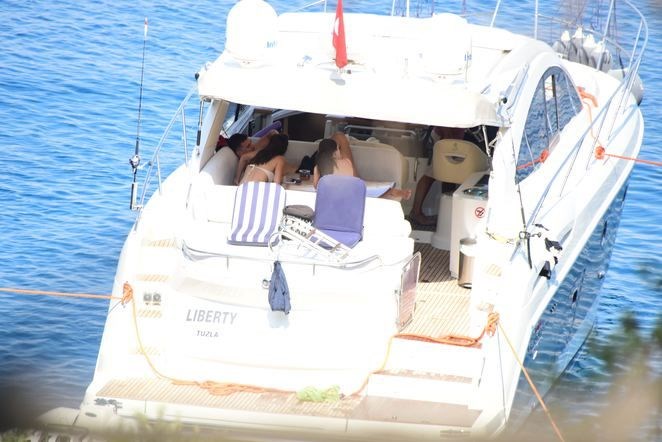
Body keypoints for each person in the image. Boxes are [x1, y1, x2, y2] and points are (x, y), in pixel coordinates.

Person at [313, 132, 412, 201]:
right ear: (335, 152)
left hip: (338, 195)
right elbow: (353, 181)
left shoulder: (318, 168)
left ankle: (391, 192)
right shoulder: (346, 162)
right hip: (352, 191)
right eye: (338, 149)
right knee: (366, 192)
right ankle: (391, 192)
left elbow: (316, 186)